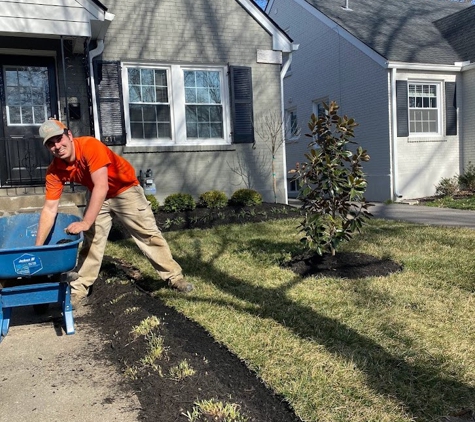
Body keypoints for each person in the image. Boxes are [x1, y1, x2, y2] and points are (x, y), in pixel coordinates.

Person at [35, 119, 193, 308]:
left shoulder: (89, 146)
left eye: (59, 139)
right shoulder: (54, 171)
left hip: (125, 190)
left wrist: (86, 222)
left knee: (148, 235)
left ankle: (174, 277)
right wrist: (38, 248)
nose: (57, 146)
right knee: (91, 241)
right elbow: (49, 209)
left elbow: (102, 185)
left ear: (69, 135)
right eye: (51, 144)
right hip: (97, 194)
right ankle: (79, 290)